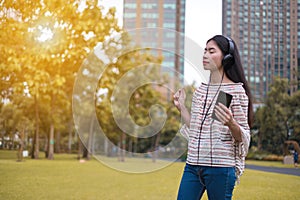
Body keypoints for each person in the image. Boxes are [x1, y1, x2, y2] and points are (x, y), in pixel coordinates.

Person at [173, 35, 254, 200]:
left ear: (227, 57)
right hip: (193, 165)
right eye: (205, 51)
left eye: (211, 51)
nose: (205, 55)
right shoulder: (201, 91)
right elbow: (196, 129)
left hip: (220, 168)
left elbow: (242, 137)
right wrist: (182, 107)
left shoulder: (234, 91)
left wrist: (231, 123)